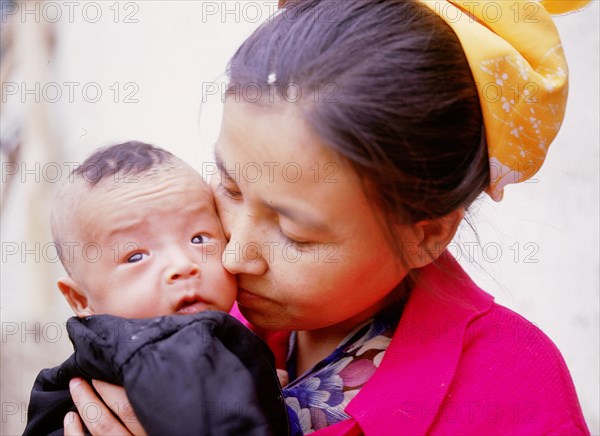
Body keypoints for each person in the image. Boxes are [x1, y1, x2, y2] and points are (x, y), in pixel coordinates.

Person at [65, 0, 591, 434]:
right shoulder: (202, 317)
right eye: (228, 186)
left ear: (427, 234)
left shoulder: (511, 389)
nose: (233, 253)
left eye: (293, 234)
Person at [24, 141, 292, 436]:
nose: (182, 265)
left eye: (200, 239)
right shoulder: (167, 349)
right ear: (80, 299)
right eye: (136, 257)